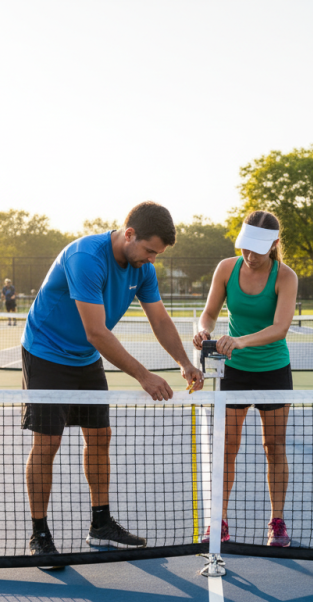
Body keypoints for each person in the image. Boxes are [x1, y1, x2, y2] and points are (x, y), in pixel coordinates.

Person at [21, 202, 204, 563]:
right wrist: (144, 376)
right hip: (46, 353)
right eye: (149, 250)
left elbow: (160, 320)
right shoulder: (86, 258)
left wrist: (184, 363)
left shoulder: (143, 269)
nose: (152, 259)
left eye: (157, 254)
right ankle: (39, 533)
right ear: (129, 234)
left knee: (100, 437)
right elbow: (96, 332)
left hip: (85, 357)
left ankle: (100, 524)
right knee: (48, 443)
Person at [193, 210, 298, 548]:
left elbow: (280, 328)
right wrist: (204, 330)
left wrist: (238, 341)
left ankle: (277, 522)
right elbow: (209, 313)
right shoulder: (227, 268)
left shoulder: (286, 277)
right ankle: (219, 521)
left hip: (273, 371)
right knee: (227, 448)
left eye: (257, 249)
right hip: (234, 372)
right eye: (245, 248)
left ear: (274, 244)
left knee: (274, 447)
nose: (250, 255)